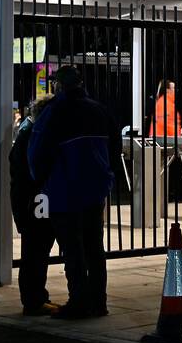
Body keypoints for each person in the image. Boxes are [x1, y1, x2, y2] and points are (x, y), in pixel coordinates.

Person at [28, 65, 117, 320]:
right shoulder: (99, 110)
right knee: (94, 249)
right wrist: (106, 176)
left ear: (58, 85)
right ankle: (99, 302)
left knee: (73, 250)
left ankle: (78, 301)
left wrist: (41, 181)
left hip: (65, 190)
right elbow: (113, 149)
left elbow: (37, 153)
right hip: (95, 190)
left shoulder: (54, 112)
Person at [10, 95, 56, 316]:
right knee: (36, 249)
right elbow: (31, 171)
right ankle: (33, 300)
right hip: (34, 200)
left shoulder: (29, 133)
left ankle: (37, 297)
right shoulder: (32, 136)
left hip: (31, 199)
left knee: (38, 248)